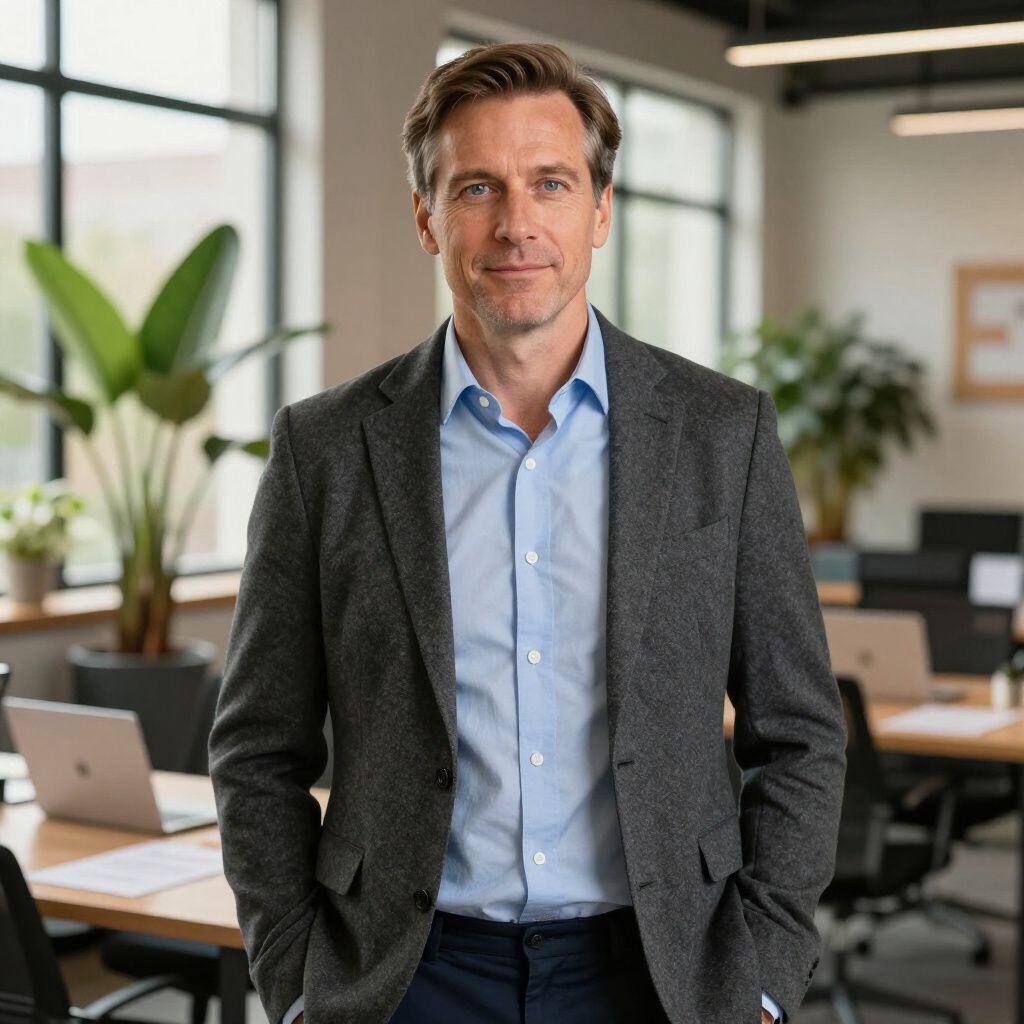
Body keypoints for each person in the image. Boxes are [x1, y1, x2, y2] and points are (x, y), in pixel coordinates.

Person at [209, 41, 846, 1024]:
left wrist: (760, 974)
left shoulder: (725, 433)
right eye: (476, 189)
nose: (515, 224)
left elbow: (798, 732)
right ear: (427, 217)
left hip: (662, 972)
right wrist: (294, 978)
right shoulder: (325, 449)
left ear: (598, 210)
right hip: (404, 978)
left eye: (550, 183)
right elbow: (256, 745)